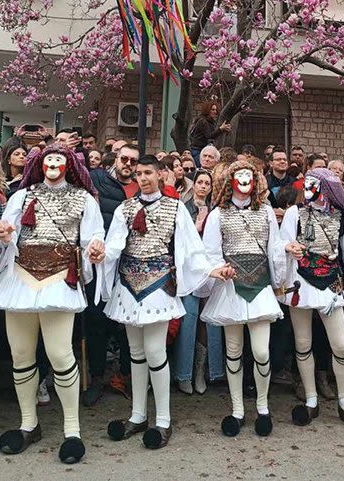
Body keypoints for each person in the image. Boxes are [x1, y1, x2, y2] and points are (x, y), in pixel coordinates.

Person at [102, 155, 233, 449]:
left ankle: (163, 419)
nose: (143, 178)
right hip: (129, 284)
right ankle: (138, 415)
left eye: (148, 172)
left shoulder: (175, 208)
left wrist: (210, 270)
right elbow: (114, 245)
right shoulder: (125, 208)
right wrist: (100, 254)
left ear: (160, 174)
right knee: (136, 352)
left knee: (155, 351)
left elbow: (191, 248)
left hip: (159, 284)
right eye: (139, 173)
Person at [0, 145, 105, 463]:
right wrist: (5, 234)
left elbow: (93, 235)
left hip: (59, 278)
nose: (53, 163)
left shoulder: (84, 198)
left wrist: (95, 248)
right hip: (20, 277)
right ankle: (28, 424)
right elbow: (8, 232)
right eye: (48, 159)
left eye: (58, 159)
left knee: (59, 353)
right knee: (21, 354)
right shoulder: (21, 196)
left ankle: (72, 429)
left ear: (69, 165)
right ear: (40, 165)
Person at [280, 168, 344, 433]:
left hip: (331, 282)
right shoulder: (294, 213)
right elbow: (282, 243)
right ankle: (311, 399)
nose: (307, 188)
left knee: (341, 345)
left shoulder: (342, 216)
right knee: (303, 343)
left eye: (313, 184)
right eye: (306, 183)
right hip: (301, 280)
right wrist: (288, 249)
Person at [201, 159, 287, 437]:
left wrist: (279, 280)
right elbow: (210, 250)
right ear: (230, 180)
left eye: (249, 174)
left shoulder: (266, 211)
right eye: (239, 175)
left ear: (256, 179)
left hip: (260, 285)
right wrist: (219, 269)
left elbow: (275, 248)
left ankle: (262, 406)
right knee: (234, 350)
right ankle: (237, 409)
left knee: (261, 352)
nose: (244, 179)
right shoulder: (218, 214)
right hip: (231, 287)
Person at [83, 144, 140, 406]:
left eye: (133, 161)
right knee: (96, 322)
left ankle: (124, 375)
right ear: (116, 159)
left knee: (128, 324)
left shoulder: (141, 188)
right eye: (124, 158)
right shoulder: (97, 179)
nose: (128, 164)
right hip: (100, 263)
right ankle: (96, 377)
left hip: (130, 264)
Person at [174, 170, 224, 394]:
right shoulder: (183, 208)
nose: (203, 186)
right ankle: (183, 373)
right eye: (200, 182)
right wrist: (197, 224)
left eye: (207, 183)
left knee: (209, 322)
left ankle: (202, 371)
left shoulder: (216, 211)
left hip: (211, 269)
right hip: (189, 270)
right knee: (189, 319)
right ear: (193, 185)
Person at [189, 101, 231, 166]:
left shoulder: (211, 122)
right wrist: (221, 129)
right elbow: (209, 136)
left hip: (203, 149)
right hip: (197, 150)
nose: (215, 111)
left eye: (216, 110)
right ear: (207, 110)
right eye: (212, 109)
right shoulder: (203, 121)